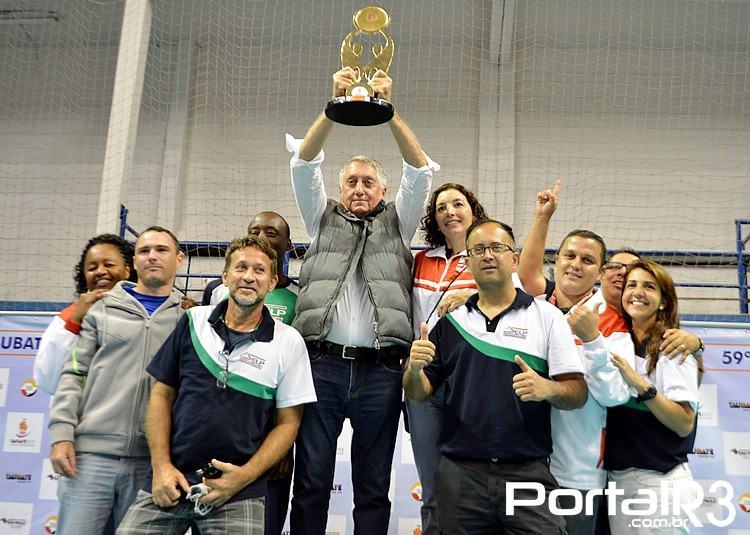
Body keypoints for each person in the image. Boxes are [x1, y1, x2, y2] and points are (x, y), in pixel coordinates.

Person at [286, 67, 438, 535]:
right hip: (321, 367)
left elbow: (419, 170)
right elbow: (303, 164)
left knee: (373, 485)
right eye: (350, 181)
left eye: (367, 182)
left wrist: (387, 112)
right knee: (311, 480)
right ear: (339, 188)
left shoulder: (400, 222)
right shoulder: (320, 219)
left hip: (381, 371)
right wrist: (334, 106)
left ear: (383, 192)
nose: (357, 189)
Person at [520, 182, 703, 535]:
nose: (576, 265)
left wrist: (695, 343)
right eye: (569, 256)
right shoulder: (535, 306)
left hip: (582, 470)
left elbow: (614, 394)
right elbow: (524, 276)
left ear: (599, 272)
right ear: (556, 261)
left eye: (588, 260)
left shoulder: (615, 322)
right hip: (524, 463)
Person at [117, 236, 317, 534]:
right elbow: (161, 395)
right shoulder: (192, 322)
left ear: (273, 281)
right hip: (171, 479)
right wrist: (161, 467)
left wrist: (243, 477)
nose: (249, 276)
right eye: (241, 267)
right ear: (225, 277)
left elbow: (288, 424)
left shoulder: (289, 342)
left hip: (240, 490)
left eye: (259, 270)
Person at [403, 218, 587, 534]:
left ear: (514, 258)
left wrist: (547, 389)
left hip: (527, 473)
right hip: (460, 475)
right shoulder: (450, 323)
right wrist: (413, 371)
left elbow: (577, 393)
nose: (488, 255)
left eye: (497, 248)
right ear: (468, 261)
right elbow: (418, 394)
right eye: (478, 249)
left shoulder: (548, 318)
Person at [48, 226, 185, 534]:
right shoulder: (101, 311)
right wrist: (61, 434)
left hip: (151, 465)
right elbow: (74, 373)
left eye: (161, 250)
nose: (152, 256)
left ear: (179, 260)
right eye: (145, 250)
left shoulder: (188, 321)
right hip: (90, 458)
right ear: (134, 262)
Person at [203, 211, 299, 535]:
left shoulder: (298, 296)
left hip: (268, 423)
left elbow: (291, 374)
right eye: (254, 230)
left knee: (266, 516)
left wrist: (282, 444)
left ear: (287, 245)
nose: (261, 235)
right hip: (218, 421)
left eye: (271, 232)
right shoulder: (216, 291)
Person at [406, 182, 485, 535]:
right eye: (441, 207)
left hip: (470, 384)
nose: (450, 211)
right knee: (432, 488)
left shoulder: (489, 260)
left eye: (458, 204)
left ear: (473, 211)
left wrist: (473, 292)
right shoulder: (420, 260)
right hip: (423, 382)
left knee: (474, 487)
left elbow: (518, 296)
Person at [599, 260, 699, 533]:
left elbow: (684, 423)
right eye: (631, 285)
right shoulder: (617, 341)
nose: (637, 292)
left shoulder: (672, 346)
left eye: (649, 287)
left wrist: (642, 387)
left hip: (660, 482)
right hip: (620, 479)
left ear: (664, 301)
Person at [34, 234, 135, 395]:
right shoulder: (69, 317)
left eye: (109, 264)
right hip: (81, 417)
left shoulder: (142, 315)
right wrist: (75, 322)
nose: (100, 271)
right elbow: (47, 381)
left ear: (127, 270)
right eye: (92, 268)